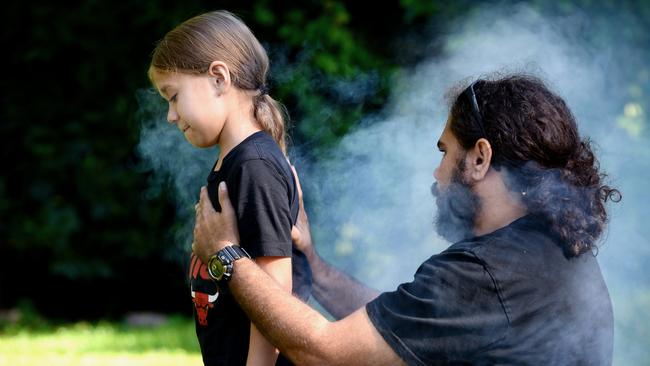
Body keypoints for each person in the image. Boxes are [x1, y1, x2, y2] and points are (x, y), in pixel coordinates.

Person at [192, 74, 621, 365]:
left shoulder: (488, 274)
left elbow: (323, 352)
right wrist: (317, 269)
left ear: (479, 157)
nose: (437, 175)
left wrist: (227, 255)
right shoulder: (547, 250)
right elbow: (401, 326)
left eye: (444, 152)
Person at [148, 10, 311, 366]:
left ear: (219, 78)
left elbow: (274, 298)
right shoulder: (237, 162)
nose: (170, 116)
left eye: (173, 96)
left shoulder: (253, 165)